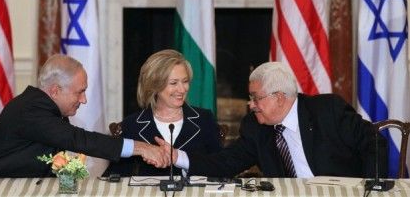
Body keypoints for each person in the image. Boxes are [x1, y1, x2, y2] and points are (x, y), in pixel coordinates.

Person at [157, 61, 388, 178]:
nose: (250, 104)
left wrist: (371, 186)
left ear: (279, 97)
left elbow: (373, 143)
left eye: (255, 98)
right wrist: (178, 157)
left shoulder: (327, 110)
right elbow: (225, 163)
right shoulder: (256, 127)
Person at [0, 54, 168, 178]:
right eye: (79, 92)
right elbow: (78, 139)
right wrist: (140, 147)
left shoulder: (44, 106)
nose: (84, 100)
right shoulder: (31, 110)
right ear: (55, 91)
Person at [105, 49, 222, 176]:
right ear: (154, 85)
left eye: (185, 81)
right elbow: (115, 177)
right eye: (173, 83)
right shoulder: (131, 125)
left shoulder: (204, 120)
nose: (182, 89)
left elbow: (220, 168)